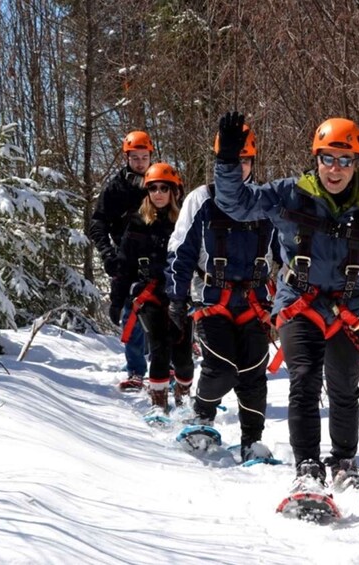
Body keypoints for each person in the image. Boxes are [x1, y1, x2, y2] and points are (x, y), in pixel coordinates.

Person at [212, 111, 359, 493]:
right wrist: (227, 161)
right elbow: (236, 204)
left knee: (344, 386)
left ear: (355, 164)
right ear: (315, 159)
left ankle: (344, 463)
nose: (335, 170)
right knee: (304, 379)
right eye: (328, 159)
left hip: (348, 306)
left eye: (345, 160)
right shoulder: (289, 194)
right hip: (298, 302)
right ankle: (306, 467)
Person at [166, 124, 280, 462]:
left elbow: (288, 252)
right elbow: (181, 249)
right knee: (223, 367)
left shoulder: (266, 200)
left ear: (253, 162)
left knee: (254, 373)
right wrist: (176, 296)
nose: (240, 166)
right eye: (233, 160)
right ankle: (201, 414)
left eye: (246, 160)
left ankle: (251, 440)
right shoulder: (201, 199)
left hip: (255, 301)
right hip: (212, 298)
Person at [111, 163, 194, 413]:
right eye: (153, 188)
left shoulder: (185, 224)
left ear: (173, 192)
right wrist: (117, 301)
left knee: (182, 354)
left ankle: (183, 400)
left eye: (163, 188)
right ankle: (159, 405)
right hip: (149, 295)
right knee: (159, 346)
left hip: (180, 296)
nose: (158, 193)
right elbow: (124, 267)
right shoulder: (136, 225)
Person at [89, 130, 153, 389]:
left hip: (159, 257)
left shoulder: (159, 181)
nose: (140, 162)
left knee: (163, 316)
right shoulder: (116, 188)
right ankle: (136, 370)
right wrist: (108, 253)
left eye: (144, 157)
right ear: (127, 158)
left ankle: (168, 368)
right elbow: (97, 223)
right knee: (132, 316)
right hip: (128, 260)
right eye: (135, 157)